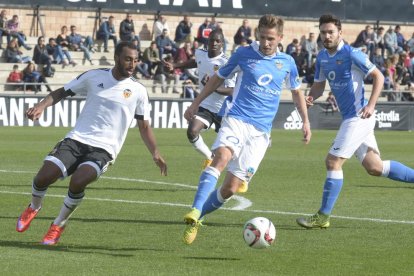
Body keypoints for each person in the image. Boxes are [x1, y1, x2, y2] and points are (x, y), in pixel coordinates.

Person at [16, 41, 167, 245]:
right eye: (128, 59)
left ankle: (58, 225)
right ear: (116, 58)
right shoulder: (94, 76)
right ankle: (34, 207)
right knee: (43, 177)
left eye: (135, 60)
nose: (132, 64)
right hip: (77, 139)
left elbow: (144, 126)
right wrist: (41, 106)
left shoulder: (138, 91)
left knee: (78, 181)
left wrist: (155, 152)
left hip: (104, 150)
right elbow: (62, 91)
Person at [181, 15, 311, 245]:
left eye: (271, 38)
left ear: (280, 38)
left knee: (231, 187)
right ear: (257, 34)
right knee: (221, 156)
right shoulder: (243, 54)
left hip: (261, 133)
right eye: (262, 37)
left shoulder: (287, 62)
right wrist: (195, 103)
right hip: (237, 119)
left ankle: (199, 217)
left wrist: (305, 121)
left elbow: (296, 91)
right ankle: (195, 208)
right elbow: (215, 80)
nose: (266, 43)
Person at [296, 14, 414, 229]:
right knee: (375, 167)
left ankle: (323, 216)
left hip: (359, 117)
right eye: (323, 32)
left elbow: (378, 76)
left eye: (331, 32)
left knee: (333, 162)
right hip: (351, 118)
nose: (327, 36)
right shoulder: (322, 57)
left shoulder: (352, 54)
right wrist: (311, 96)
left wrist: (371, 105)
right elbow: (320, 86)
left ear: (340, 32)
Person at [164, 29, 236, 171]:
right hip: (206, 107)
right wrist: (175, 66)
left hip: (224, 110)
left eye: (218, 41)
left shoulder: (226, 63)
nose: (214, 43)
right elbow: (195, 62)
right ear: (207, 42)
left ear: (222, 44)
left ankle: (240, 173)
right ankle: (210, 157)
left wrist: (213, 87)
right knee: (192, 131)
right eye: (212, 40)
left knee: (232, 149)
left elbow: (232, 90)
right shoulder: (200, 53)